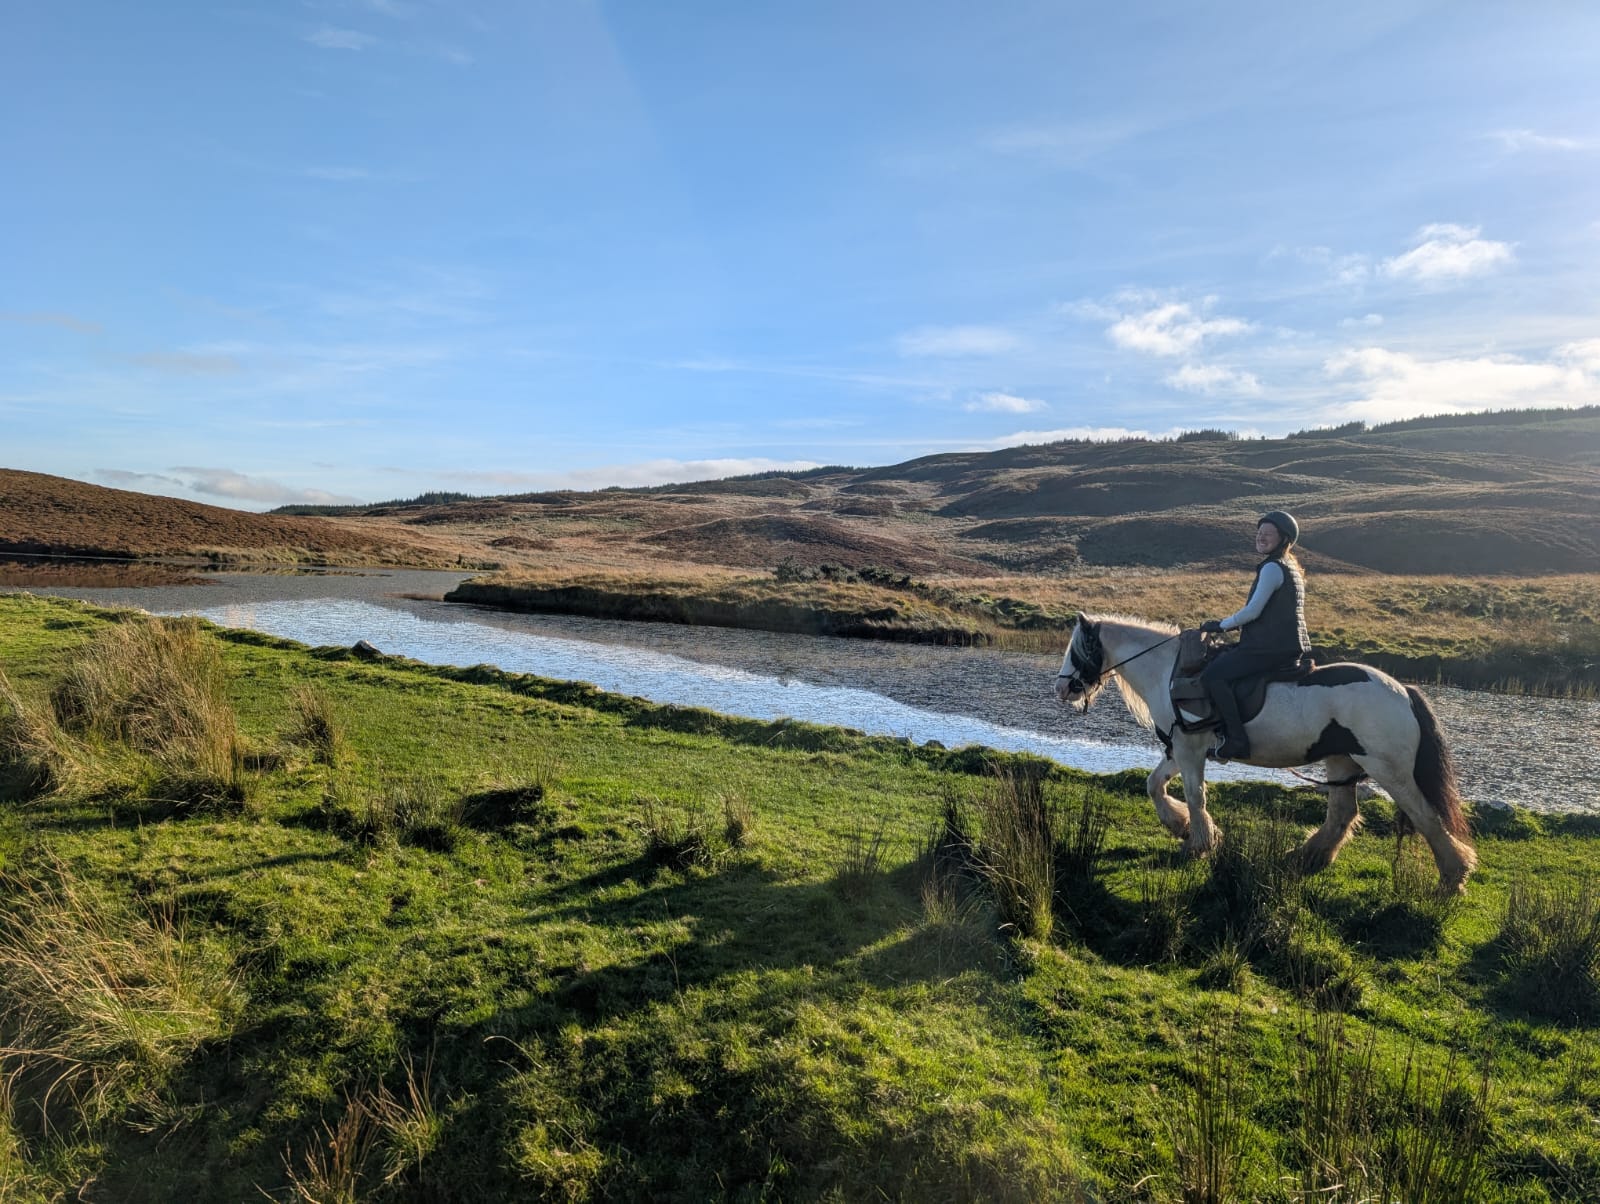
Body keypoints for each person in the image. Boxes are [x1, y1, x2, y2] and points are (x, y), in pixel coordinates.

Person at [1198, 510, 1310, 759]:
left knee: (1214, 675)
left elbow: (1253, 611)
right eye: (1259, 533)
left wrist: (1221, 625)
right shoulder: (1289, 566)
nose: (1261, 537)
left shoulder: (1272, 568)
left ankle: (1236, 740)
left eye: (1268, 534)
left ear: (1284, 539)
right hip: (1284, 645)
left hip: (1268, 647)